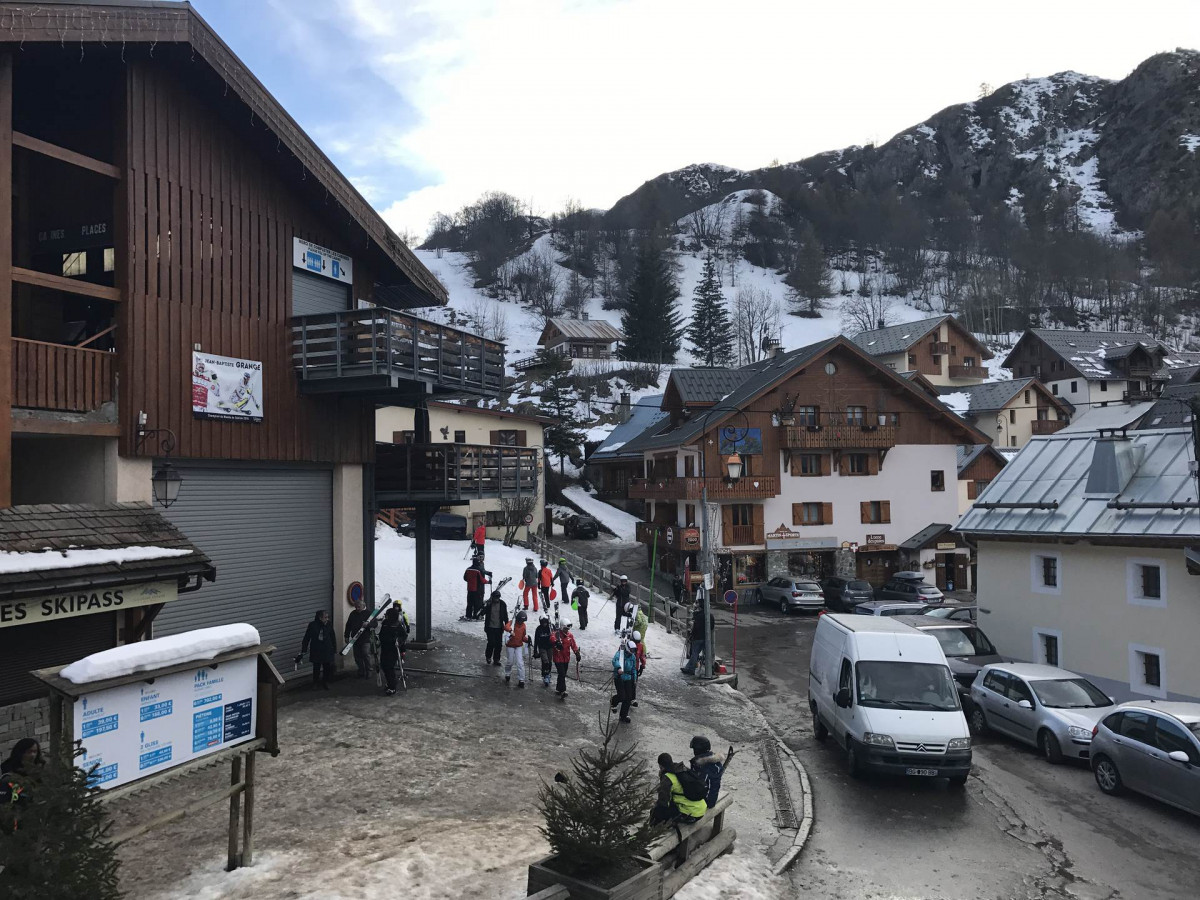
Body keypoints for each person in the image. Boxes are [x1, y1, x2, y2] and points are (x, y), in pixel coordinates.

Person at [650, 753, 708, 825]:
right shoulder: (682, 769)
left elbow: (663, 802)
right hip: (701, 809)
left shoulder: (667, 778)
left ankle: (655, 834)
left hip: (690, 814)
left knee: (656, 812)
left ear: (660, 766)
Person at [301, 609, 336, 689]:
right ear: (320, 618)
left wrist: (334, 649)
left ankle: (325, 682)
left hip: (327, 649)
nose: (327, 619)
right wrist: (304, 649)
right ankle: (315, 683)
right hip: (316, 649)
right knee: (316, 667)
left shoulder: (329, 624)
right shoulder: (313, 625)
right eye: (325, 617)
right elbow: (307, 637)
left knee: (327, 667)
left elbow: (332, 636)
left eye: (327, 617)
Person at [680, 602, 716, 676]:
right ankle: (710, 669)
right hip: (707, 638)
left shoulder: (697, 616)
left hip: (697, 637)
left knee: (695, 654)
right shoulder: (710, 616)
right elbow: (712, 627)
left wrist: (691, 636)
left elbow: (694, 627)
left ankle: (690, 669)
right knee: (707, 654)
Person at [689, 736, 725, 807]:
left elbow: (699, 787)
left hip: (705, 802)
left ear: (698, 750)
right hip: (712, 799)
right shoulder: (715, 763)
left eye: (694, 749)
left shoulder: (702, 767)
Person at [378, 607, 406, 695]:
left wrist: (399, 641)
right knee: (383, 665)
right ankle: (390, 682)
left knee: (389, 667)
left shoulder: (397, 625)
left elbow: (404, 635)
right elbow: (382, 634)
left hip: (393, 649)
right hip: (385, 647)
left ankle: (392, 686)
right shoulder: (385, 623)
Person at [611, 638, 638, 723]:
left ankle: (623, 716)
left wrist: (634, 677)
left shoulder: (633, 657)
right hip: (619, 677)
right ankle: (613, 701)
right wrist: (618, 668)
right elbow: (614, 661)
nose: (632, 651)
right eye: (631, 649)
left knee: (628, 697)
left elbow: (633, 668)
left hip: (628, 678)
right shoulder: (620, 654)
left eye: (634, 650)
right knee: (622, 696)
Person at [551, 620, 581, 698]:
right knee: (562, 673)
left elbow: (573, 645)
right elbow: (552, 638)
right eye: (565, 629)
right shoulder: (556, 634)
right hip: (558, 658)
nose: (567, 630)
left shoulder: (570, 636)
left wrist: (577, 653)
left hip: (566, 658)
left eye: (567, 629)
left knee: (562, 674)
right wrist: (556, 642)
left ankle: (558, 688)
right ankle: (563, 691)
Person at [344, 597, 372, 678]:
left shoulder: (368, 613)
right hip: (355, 638)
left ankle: (369, 670)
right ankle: (361, 670)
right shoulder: (353, 614)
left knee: (366, 654)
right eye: (356, 607)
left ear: (363, 606)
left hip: (365, 638)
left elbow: (375, 624)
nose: (357, 608)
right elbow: (348, 625)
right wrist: (346, 636)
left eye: (359, 607)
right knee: (357, 656)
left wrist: (368, 625)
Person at [504, 609, 530, 688]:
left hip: (518, 646)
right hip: (510, 645)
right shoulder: (512, 622)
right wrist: (510, 630)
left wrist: (527, 640)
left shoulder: (523, 626)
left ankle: (521, 679)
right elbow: (506, 626)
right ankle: (507, 673)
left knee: (520, 663)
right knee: (510, 661)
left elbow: (522, 637)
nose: (522, 622)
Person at [483, 589, 509, 665]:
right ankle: (488, 656)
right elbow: (481, 613)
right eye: (495, 598)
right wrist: (484, 605)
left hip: (499, 627)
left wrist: (507, 624)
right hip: (490, 627)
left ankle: (496, 659)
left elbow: (505, 615)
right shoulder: (489, 604)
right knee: (491, 642)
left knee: (498, 644)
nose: (496, 599)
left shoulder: (502, 604)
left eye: (498, 598)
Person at [533, 614, 554, 687]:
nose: (544, 624)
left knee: (549, 661)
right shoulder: (538, 629)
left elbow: (555, 636)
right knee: (545, 661)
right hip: (542, 647)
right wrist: (535, 651)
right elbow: (536, 640)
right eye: (543, 622)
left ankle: (548, 674)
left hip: (550, 647)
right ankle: (545, 675)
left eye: (545, 622)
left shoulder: (551, 627)